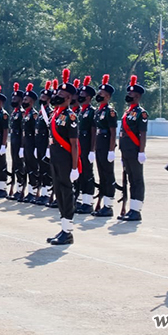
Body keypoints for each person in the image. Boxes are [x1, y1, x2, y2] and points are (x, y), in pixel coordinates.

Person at [46, 69, 79, 245]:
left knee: (66, 192)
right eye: (57, 93)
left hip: (66, 160)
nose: (57, 96)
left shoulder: (70, 116)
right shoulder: (55, 114)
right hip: (55, 158)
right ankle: (63, 227)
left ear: (68, 98)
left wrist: (74, 167)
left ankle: (68, 232)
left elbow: (74, 143)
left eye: (61, 94)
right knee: (58, 191)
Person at [119, 75, 148, 221]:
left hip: (135, 150)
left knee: (137, 179)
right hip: (126, 150)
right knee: (129, 179)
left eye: (131, 93)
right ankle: (131, 208)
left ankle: (136, 209)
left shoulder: (141, 113)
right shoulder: (127, 112)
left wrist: (142, 151)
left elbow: (142, 133)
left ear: (137, 96)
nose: (128, 95)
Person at [91, 74, 118, 217]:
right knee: (101, 174)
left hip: (107, 143)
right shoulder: (98, 111)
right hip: (100, 144)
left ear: (107, 96)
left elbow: (113, 132)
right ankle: (102, 203)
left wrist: (111, 150)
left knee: (108, 175)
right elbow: (95, 130)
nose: (99, 96)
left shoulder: (110, 112)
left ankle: (108, 205)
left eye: (101, 94)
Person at [76, 76, 97, 214]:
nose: (80, 97)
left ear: (88, 97)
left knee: (87, 173)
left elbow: (93, 131)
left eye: (82, 95)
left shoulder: (92, 111)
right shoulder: (79, 111)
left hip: (86, 144)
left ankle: (88, 202)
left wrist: (92, 150)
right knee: (79, 173)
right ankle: (80, 200)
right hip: (78, 146)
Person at [36, 81, 53, 206]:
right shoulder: (41, 112)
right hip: (39, 143)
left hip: (46, 143)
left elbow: (50, 131)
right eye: (41, 97)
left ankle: (47, 193)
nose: (41, 99)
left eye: (44, 98)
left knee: (47, 169)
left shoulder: (50, 112)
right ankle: (42, 193)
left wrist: (48, 148)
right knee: (41, 168)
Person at [21, 83, 39, 203]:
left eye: (26, 99)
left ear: (31, 101)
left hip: (32, 144)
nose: (24, 101)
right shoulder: (26, 114)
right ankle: (30, 191)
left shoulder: (34, 114)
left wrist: (36, 147)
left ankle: (33, 191)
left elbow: (35, 132)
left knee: (33, 168)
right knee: (27, 167)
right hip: (26, 144)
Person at [8, 83, 26, 200]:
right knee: (14, 164)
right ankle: (15, 187)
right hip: (14, 140)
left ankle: (21, 188)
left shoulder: (22, 112)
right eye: (12, 97)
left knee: (20, 166)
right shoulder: (14, 112)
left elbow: (23, 130)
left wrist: (22, 146)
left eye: (16, 98)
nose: (13, 99)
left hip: (20, 140)